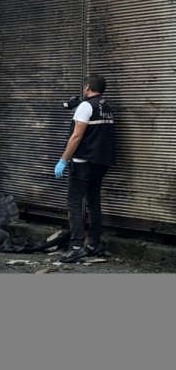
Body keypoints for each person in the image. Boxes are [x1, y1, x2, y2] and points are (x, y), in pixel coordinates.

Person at [54, 74, 116, 263]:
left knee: (74, 203)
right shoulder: (105, 106)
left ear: (88, 87)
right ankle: (94, 244)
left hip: (83, 164)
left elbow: (76, 136)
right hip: (101, 163)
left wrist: (63, 160)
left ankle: (76, 247)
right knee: (93, 202)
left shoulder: (85, 106)